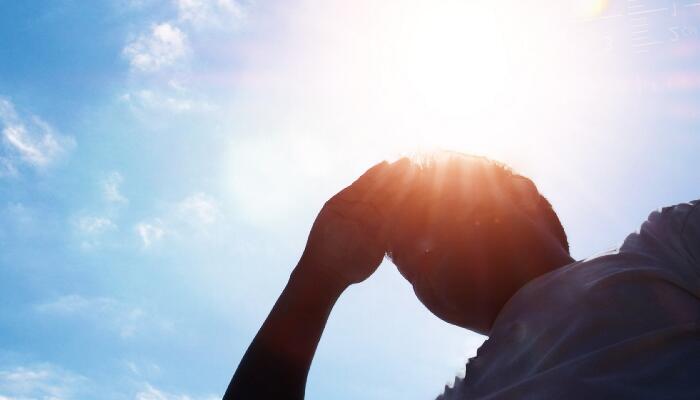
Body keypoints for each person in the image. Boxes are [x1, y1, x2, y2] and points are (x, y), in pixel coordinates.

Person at [223, 152, 700, 399]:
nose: (422, 245)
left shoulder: (667, 245)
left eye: (447, 207)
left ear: (523, 195)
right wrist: (316, 280)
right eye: (405, 253)